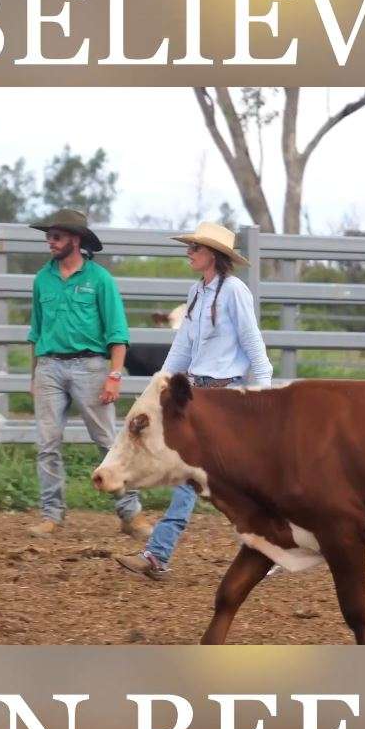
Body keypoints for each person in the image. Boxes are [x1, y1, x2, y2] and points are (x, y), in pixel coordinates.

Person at [115, 221, 273, 580]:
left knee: (195, 477)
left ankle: (158, 554)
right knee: (217, 479)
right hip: (199, 393)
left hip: (225, 393)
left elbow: (253, 344)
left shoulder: (234, 291)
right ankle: (270, 546)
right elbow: (183, 346)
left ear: (213, 255)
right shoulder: (197, 292)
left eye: (195, 248)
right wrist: (160, 385)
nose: (189, 253)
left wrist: (261, 396)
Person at [27, 208, 151, 541]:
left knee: (107, 442)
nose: (50, 242)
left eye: (56, 236)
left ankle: (130, 513)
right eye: (49, 236)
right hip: (49, 366)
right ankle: (51, 515)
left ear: (75, 240)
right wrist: (34, 373)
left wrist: (114, 374)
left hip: (91, 366)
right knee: (47, 444)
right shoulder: (42, 280)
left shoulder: (100, 280)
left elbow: (117, 331)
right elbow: (36, 333)